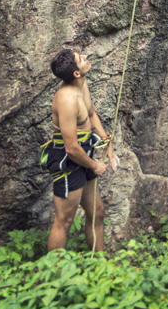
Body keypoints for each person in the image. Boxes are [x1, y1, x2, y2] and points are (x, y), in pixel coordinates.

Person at [42, 48, 118, 252]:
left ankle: (100, 267)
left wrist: (107, 143)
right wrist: (95, 165)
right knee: (64, 221)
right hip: (68, 158)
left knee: (97, 212)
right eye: (80, 59)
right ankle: (54, 278)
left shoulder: (80, 83)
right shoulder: (66, 99)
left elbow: (91, 114)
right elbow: (71, 148)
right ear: (76, 72)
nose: (85, 57)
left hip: (84, 151)